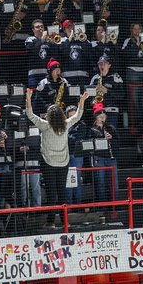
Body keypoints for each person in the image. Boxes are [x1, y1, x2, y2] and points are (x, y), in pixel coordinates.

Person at [24, 84, 89, 228]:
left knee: (51, 194)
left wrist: (28, 98)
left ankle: (51, 222)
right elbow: (78, 116)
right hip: (63, 163)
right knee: (62, 193)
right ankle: (65, 222)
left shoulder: (45, 125)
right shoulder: (65, 124)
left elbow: (30, 115)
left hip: (48, 163)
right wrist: (82, 101)